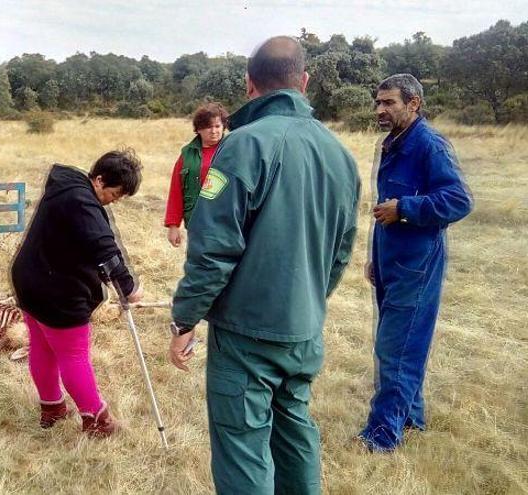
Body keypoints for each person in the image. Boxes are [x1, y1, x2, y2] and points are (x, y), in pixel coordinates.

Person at [167, 36, 361, 494]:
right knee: (295, 432)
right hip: (303, 329)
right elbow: (341, 251)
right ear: (305, 82)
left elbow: (212, 250)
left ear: (250, 84)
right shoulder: (342, 157)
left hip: (246, 335)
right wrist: (309, 299)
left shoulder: (241, 147)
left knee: (243, 448)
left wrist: (184, 318)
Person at [358, 74, 472, 452]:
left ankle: (380, 437)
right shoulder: (393, 143)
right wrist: (375, 258)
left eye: (389, 103)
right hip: (391, 261)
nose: (380, 110)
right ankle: (411, 419)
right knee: (400, 346)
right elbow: (383, 210)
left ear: (414, 104)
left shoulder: (429, 145)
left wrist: (406, 208)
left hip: (417, 265)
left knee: (397, 349)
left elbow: (459, 200)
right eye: (378, 102)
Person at [11, 150, 143, 438]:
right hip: (55, 291)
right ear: (98, 179)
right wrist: (129, 288)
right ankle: (97, 419)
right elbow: (106, 249)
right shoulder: (82, 201)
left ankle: (53, 407)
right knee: (74, 354)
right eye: (115, 193)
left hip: (29, 280)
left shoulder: (68, 186)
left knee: (43, 347)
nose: (114, 201)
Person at [164, 102, 229, 247]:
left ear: (224, 126)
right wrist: (173, 226)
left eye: (217, 126)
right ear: (198, 129)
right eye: (208, 127)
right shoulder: (187, 154)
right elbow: (176, 190)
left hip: (227, 226)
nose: (213, 131)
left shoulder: (233, 150)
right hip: (197, 225)